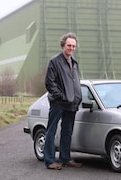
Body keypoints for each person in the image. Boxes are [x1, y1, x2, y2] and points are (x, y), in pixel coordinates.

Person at [44, 32, 83, 170]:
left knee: (67, 131)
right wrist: (61, 96)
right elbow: (49, 82)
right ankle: (49, 160)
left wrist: (76, 97)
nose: (71, 48)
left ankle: (65, 158)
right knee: (51, 131)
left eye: (73, 46)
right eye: (69, 45)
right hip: (58, 102)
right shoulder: (55, 61)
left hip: (72, 103)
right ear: (63, 45)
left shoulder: (74, 62)